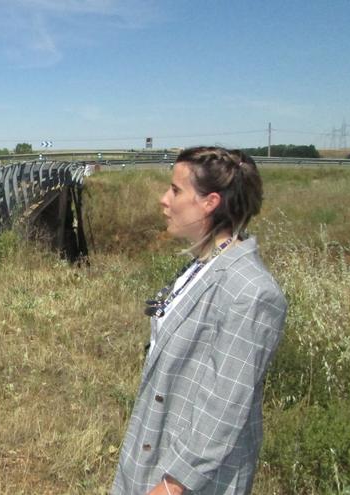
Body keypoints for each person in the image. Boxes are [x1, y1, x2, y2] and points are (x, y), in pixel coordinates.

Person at [111, 147, 287, 494]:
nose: (164, 200)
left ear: (210, 202)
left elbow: (227, 406)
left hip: (192, 482)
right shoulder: (202, 265)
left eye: (176, 190)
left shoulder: (250, 291)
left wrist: (172, 485)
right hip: (156, 454)